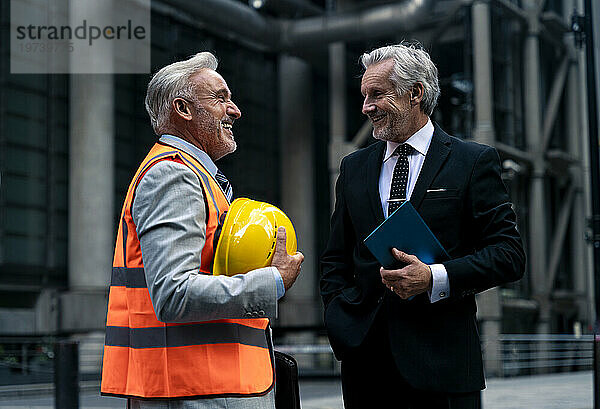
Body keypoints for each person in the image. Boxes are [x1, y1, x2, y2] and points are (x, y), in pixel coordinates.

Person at [320, 42, 525, 409]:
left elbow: (508, 254)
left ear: (415, 93)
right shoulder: (353, 168)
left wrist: (435, 278)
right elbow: (336, 259)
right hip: (365, 365)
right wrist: (340, 319)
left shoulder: (473, 161)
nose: (366, 106)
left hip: (442, 363)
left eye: (377, 94)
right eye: (364, 95)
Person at [101, 52, 304, 409]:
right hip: (195, 392)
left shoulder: (195, 176)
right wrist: (273, 281)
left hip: (203, 389)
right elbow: (174, 294)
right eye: (221, 98)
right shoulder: (174, 175)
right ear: (183, 108)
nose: (235, 109)